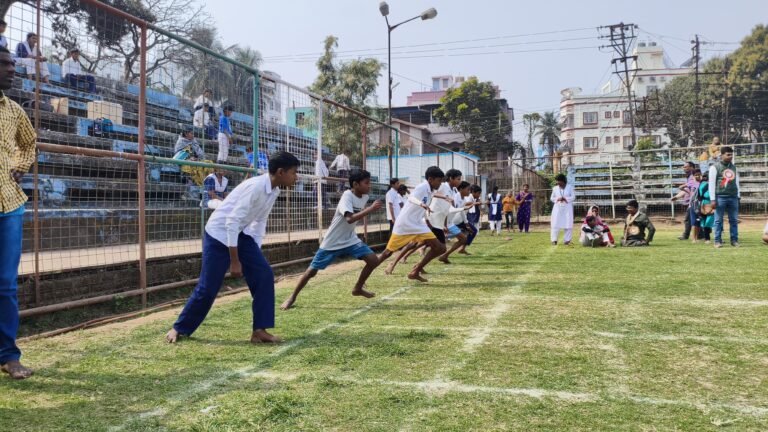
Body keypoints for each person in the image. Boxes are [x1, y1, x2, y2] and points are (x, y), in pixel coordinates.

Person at [165, 151, 300, 345]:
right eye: (294, 172)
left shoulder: (274, 190)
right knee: (208, 286)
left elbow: (259, 222)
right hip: (218, 234)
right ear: (280, 172)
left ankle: (259, 331)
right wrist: (235, 261)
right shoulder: (256, 187)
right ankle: (180, 327)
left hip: (239, 233)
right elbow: (231, 221)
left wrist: (254, 253)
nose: (296, 177)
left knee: (263, 274)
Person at [280, 170, 383, 310]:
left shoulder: (365, 197)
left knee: (373, 260)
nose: (369, 186)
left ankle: (358, 288)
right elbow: (349, 218)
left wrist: (369, 208)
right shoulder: (347, 195)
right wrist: (371, 209)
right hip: (333, 241)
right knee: (311, 272)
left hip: (350, 239)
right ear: (355, 184)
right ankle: (292, 297)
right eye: (366, 183)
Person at [0, 46, 37, 379]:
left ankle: (9, 355)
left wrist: (21, 165)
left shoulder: (13, 110)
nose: (12, 69)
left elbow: (29, 141)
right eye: (4, 64)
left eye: (12, 64)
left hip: (9, 205)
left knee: (6, 284)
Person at [378, 166, 447, 283]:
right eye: (439, 180)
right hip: (405, 223)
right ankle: (368, 272)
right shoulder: (422, 187)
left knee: (440, 248)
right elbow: (411, 198)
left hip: (418, 224)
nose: (440, 184)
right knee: (387, 253)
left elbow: (424, 207)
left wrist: (427, 219)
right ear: (430, 179)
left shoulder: (431, 190)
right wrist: (421, 204)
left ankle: (415, 271)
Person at [709, 146, 740, 248]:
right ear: (722, 155)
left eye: (731, 155)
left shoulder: (734, 167)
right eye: (728, 155)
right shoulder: (714, 167)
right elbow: (711, 184)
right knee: (718, 220)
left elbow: (737, 182)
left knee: (734, 220)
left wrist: (738, 196)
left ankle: (734, 240)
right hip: (720, 197)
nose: (730, 156)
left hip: (733, 197)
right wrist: (712, 199)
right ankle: (717, 241)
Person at [439, 181, 475, 263]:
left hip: (450, 223)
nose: (469, 192)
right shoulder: (455, 197)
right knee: (426, 242)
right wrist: (444, 225)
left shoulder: (463, 199)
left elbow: (461, 211)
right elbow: (448, 210)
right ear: (461, 189)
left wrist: (466, 224)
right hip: (444, 222)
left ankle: (444, 256)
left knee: (463, 239)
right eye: (468, 189)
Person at [671, 161, 697, 240]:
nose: (684, 168)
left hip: (694, 201)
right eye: (683, 167)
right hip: (691, 201)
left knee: (688, 219)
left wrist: (678, 196)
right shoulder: (689, 177)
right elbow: (686, 189)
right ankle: (700, 235)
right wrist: (677, 197)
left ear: (692, 167)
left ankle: (686, 235)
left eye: (686, 167)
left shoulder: (693, 177)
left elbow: (688, 188)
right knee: (693, 219)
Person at [550, 174, 575, 245]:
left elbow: (573, 197)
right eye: (557, 181)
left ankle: (567, 240)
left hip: (567, 208)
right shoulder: (555, 188)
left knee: (568, 223)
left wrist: (565, 198)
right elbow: (551, 198)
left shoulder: (570, 187)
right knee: (555, 223)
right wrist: (558, 199)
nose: (558, 182)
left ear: (563, 181)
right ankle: (554, 240)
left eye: (559, 181)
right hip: (557, 208)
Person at [690, 170, 713, 244]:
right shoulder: (703, 184)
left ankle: (706, 238)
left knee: (707, 221)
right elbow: (702, 195)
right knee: (701, 221)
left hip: (708, 203)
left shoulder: (710, 184)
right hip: (702, 204)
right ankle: (702, 238)